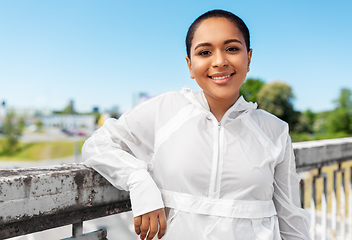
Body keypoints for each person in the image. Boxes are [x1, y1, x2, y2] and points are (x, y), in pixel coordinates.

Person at [82, 9, 311, 240]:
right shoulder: (165, 110)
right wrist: (138, 180)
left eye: (232, 49)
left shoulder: (275, 130)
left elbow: (291, 220)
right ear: (190, 65)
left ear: (248, 58)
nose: (220, 61)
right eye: (205, 52)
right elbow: (98, 145)